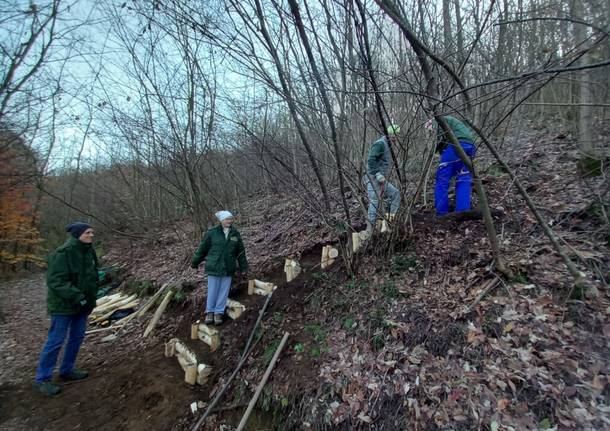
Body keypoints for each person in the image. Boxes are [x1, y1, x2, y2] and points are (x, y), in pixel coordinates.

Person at [35, 222, 99, 396]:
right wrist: (78, 296)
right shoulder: (63, 253)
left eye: (92, 232)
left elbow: (91, 276)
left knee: (76, 338)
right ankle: (43, 378)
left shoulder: (89, 252)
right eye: (88, 233)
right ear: (78, 235)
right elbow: (56, 281)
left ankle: (67, 370)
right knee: (56, 341)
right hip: (63, 306)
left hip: (82, 305)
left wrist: (92, 296)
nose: (91, 235)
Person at [191, 211, 248, 326]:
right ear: (221, 220)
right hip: (214, 266)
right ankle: (209, 312)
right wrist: (195, 262)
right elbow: (202, 249)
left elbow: (241, 252)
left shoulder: (235, 234)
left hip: (228, 267)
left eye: (231, 219)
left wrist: (244, 267)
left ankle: (218, 313)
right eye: (227, 219)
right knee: (213, 290)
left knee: (224, 291)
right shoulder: (212, 233)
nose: (229, 221)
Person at [429, 115, 477, 215]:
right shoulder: (452, 122)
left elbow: (439, 140)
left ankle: (441, 213)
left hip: (456, 145)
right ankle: (463, 211)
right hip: (470, 146)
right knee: (463, 179)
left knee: (442, 180)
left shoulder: (438, 120)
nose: (430, 131)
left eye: (429, 128)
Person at [363, 124, 401, 236]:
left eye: (397, 135)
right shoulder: (380, 144)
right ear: (389, 134)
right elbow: (370, 160)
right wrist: (378, 174)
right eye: (394, 135)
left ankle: (389, 222)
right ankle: (370, 232)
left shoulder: (389, 145)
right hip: (373, 177)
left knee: (395, 194)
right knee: (374, 202)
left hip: (381, 178)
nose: (396, 137)